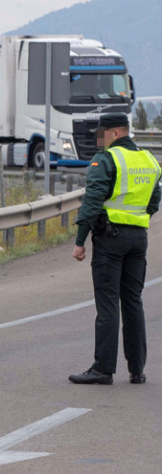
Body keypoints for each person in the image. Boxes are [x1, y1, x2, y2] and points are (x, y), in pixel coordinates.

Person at [69, 112, 161, 385]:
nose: (101, 140)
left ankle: (103, 369)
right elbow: (154, 200)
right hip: (138, 239)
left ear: (115, 133)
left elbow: (93, 200)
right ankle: (137, 370)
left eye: (102, 134)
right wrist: (136, 221)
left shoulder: (107, 159)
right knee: (133, 301)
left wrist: (79, 240)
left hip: (111, 239)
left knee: (108, 303)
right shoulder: (149, 161)